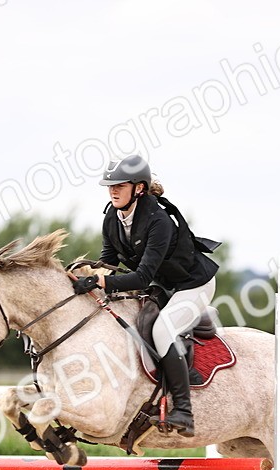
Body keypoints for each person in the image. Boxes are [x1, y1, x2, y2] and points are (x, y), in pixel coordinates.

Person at [71, 154, 219, 436]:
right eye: (110, 186)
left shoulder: (158, 221)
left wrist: (101, 281)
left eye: (120, 185)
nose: (113, 191)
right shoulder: (112, 219)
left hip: (192, 284)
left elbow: (141, 277)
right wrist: (87, 276)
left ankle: (184, 411)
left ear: (139, 188)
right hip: (162, 286)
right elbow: (109, 264)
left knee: (163, 331)